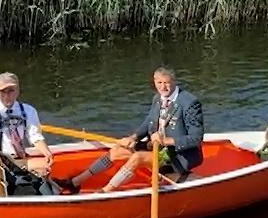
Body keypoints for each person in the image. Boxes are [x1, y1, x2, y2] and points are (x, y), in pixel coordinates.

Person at [62, 67, 206, 193]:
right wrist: (134, 137)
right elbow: (148, 122)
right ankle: (75, 182)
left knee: (137, 158)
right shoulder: (158, 98)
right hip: (155, 148)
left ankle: (104, 192)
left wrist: (166, 140)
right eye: (159, 83)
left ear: (174, 81)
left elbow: (196, 138)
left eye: (166, 83)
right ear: (154, 82)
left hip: (177, 155)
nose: (163, 87)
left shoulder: (190, 103)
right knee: (117, 150)